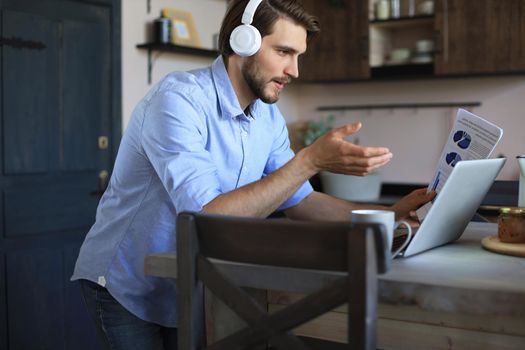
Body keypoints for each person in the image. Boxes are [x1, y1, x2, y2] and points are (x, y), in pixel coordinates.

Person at [72, 0, 435, 349]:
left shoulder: (267, 118)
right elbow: (206, 219)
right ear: (241, 42)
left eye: (298, 56)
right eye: (284, 52)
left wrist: (386, 217)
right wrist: (309, 160)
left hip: (189, 281)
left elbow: (302, 201)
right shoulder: (178, 101)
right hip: (126, 285)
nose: (295, 70)